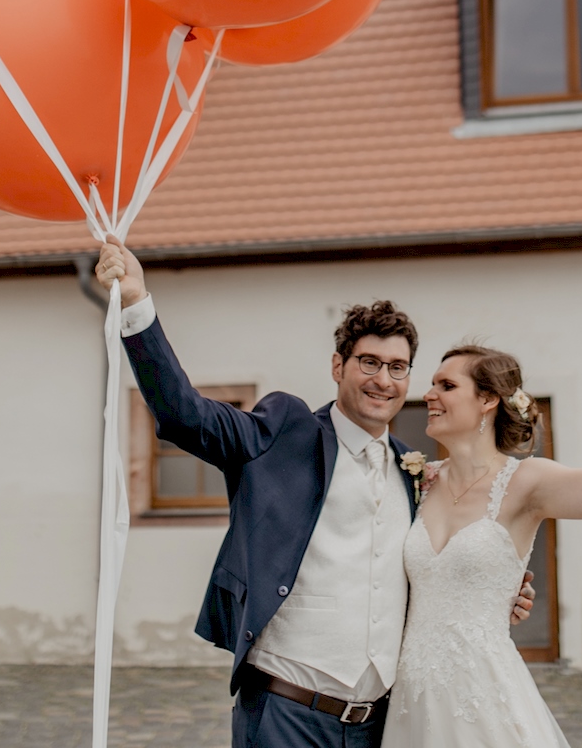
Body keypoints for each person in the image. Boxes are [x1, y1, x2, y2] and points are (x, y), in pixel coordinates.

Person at [96, 243, 533, 748]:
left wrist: (497, 588)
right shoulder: (284, 432)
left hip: (381, 723)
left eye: (398, 367)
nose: (383, 380)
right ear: (337, 366)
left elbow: (439, 563)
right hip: (286, 713)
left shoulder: (418, 471)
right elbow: (186, 416)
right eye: (369, 362)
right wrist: (135, 301)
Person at [382, 333, 582, 748]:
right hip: (409, 701)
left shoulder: (526, 481)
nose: (429, 394)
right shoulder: (419, 480)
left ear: (488, 399)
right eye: (433, 384)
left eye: (446, 386)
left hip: (481, 693)